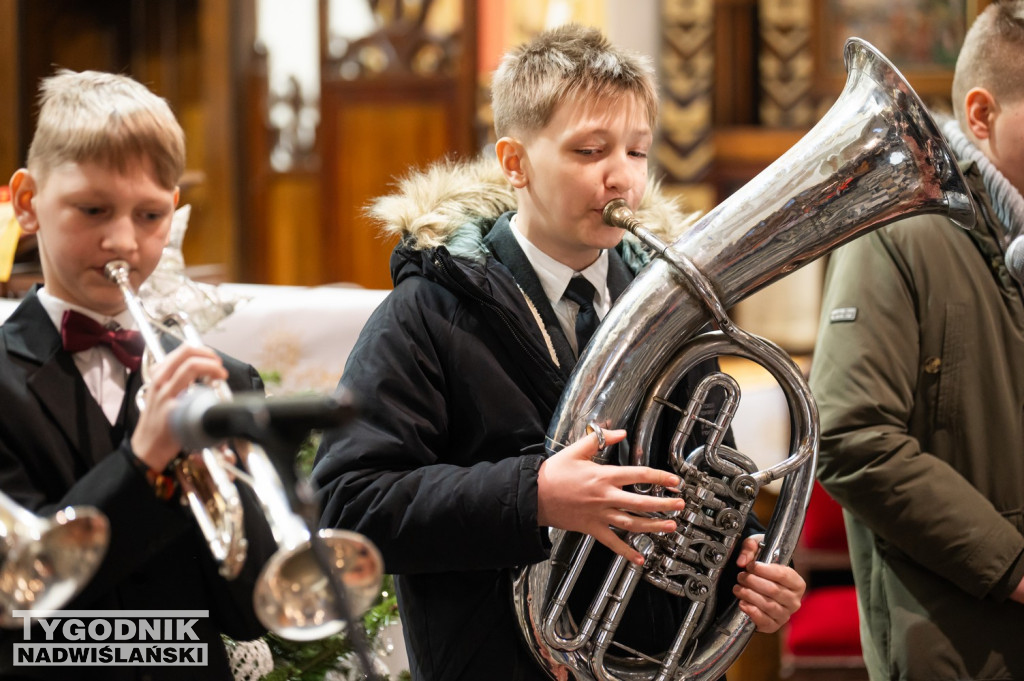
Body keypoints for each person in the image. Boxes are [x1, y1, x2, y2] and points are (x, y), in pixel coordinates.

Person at [313, 24, 805, 680]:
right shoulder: (426, 311)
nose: (621, 177)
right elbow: (346, 501)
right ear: (514, 162)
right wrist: (533, 495)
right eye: (589, 150)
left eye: (637, 151)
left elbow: (707, 481)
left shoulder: (672, 311)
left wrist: (747, 568)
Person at [0, 69, 275, 680]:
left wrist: (226, 466)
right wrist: (142, 461)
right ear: (27, 203)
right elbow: (20, 600)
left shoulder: (225, 379)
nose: (122, 240)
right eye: (93, 209)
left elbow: (250, 613)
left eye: (149, 215)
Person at [809, 3, 1024, 679]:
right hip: (956, 632)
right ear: (982, 116)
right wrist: (1012, 564)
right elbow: (850, 435)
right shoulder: (894, 228)